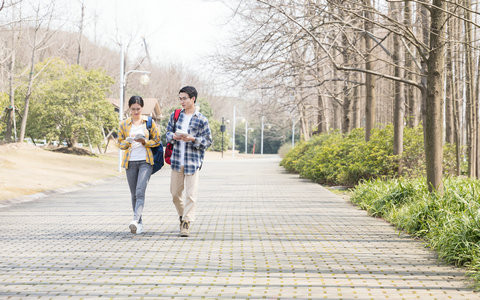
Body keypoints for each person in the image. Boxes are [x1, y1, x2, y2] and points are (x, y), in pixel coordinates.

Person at [166, 86, 212, 237]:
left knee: (191, 195)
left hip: (192, 162)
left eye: (184, 98)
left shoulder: (201, 119)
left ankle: (186, 222)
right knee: (175, 193)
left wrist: (192, 139)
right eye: (180, 98)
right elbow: (166, 134)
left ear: (193, 99)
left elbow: (208, 141)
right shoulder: (176, 116)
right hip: (176, 160)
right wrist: (174, 136)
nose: (182, 101)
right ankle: (182, 216)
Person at [118, 95, 161, 234]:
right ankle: (139, 224)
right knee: (133, 194)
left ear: (142, 108)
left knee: (140, 191)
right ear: (129, 109)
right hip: (130, 162)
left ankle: (135, 220)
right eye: (133, 109)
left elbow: (157, 140)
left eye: (138, 109)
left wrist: (145, 142)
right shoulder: (124, 124)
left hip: (145, 161)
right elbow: (120, 143)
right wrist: (128, 142)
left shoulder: (149, 122)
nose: (135, 112)